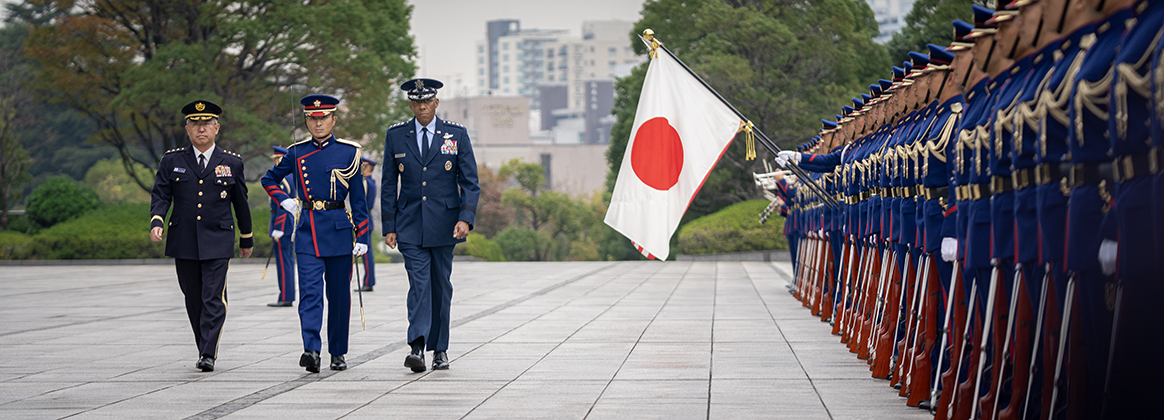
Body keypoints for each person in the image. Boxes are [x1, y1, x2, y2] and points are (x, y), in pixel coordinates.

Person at [260, 94, 370, 373]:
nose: (317, 123)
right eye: (312, 118)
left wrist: (363, 238)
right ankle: (311, 349)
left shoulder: (349, 153)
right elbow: (269, 178)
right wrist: (284, 200)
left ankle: (337, 351)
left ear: (333, 119)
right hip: (308, 229)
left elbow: (358, 201)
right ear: (306, 121)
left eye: (323, 118)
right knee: (309, 293)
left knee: (339, 296)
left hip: (338, 231)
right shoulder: (296, 152)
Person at [382, 78, 480, 372]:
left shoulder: (456, 135)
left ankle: (440, 349)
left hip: (445, 224)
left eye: (427, 101)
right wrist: (390, 225)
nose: (422, 106)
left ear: (436, 103)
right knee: (419, 285)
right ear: (411, 105)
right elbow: (389, 184)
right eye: (416, 102)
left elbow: (471, 182)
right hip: (410, 223)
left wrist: (466, 218)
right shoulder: (397, 136)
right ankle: (417, 347)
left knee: (441, 287)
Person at [149, 100, 253, 372]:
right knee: (193, 297)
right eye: (195, 124)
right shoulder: (172, 160)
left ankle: (208, 352)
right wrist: (157, 219)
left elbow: (240, 202)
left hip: (218, 239)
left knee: (213, 297)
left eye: (206, 124)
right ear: (187, 129)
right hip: (183, 239)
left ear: (216, 128)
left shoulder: (231, 162)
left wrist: (247, 236)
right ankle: (203, 345)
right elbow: (161, 193)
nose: (201, 129)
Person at [267, 146, 297, 307]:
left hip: (283, 224)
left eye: (276, 159)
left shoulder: (284, 179)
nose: (274, 163)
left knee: (284, 262)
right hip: (286, 224)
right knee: (286, 261)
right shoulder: (291, 177)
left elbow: (282, 205)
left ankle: (286, 296)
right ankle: (286, 295)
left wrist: (278, 228)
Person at [356, 157, 377, 292]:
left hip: (364, 218)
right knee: (366, 252)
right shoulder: (370, 182)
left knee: (366, 252)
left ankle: (369, 282)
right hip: (367, 218)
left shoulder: (365, 183)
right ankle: (368, 281)